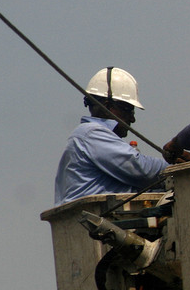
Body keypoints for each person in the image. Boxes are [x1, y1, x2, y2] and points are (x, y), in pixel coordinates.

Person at [54, 67, 167, 204]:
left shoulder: (90, 136)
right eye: (128, 110)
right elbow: (142, 170)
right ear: (107, 107)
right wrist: (184, 167)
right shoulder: (92, 134)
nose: (132, 119)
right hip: (94, 220)